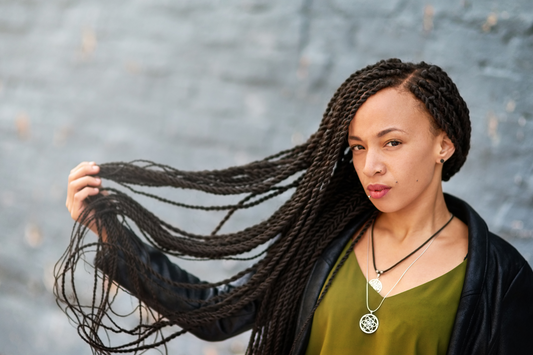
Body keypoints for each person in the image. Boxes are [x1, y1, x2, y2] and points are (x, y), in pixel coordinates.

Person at [61, 58, 533, 355]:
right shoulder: (322, 241)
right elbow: (216, 314)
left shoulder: (501, 278)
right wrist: (111, 231)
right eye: (359, 147)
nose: (371, 165)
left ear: (443, 145)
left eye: (391, 143)